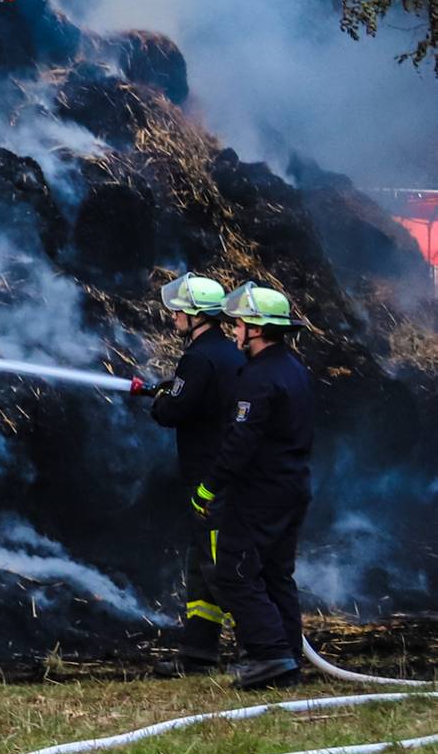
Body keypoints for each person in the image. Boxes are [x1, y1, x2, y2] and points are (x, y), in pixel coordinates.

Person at [194, 283, 316, 691]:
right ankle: (287, 661)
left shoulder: (260, 377)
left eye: (241, 323)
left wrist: (208, 488)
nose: (235, 331)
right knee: (277, 573)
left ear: (258, 330)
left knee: (236, 573)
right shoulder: (293, 369)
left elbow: (240, 442)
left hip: (259, 493)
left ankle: (269, 656)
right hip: (291, 487)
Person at [131, 274, 244, 675]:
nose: (174, 315)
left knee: (221, 568)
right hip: (221, 476)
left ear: (197, 316)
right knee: (201, 567)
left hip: (210, 480)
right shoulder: (229, 353)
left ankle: (263, 655)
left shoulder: (197, 357)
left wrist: (161, 402)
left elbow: (174, 411)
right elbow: (201, 400)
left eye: (180, 309)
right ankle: (199, 655)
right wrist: (166, 390)